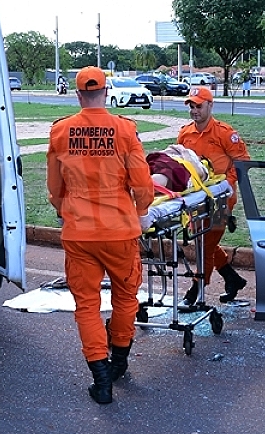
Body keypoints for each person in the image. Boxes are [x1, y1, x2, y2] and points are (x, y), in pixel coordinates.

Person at [46, 66, 155, 404]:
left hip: (80, 233)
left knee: (87, 306)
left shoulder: (61, 132)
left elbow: (53, 188)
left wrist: (68, 211)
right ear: (106, 92)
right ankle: (119, 361)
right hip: (120, 230)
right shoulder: (124, 130)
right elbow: (142, 184)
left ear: (78, 94)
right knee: (125, 298)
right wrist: (140, 212)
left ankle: (101, 376)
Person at [175, 87, 252, 311]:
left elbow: (242, 163)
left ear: (210, 105)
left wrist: (226, 184)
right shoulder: (185, 133)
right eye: (191, 105)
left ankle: (197, 290)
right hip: (195, 199)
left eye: (198, 105)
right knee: (202, 242)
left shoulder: (225, 134)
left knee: (205, 246)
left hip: (220, 200)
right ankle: (232, 278)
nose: (194, 110)